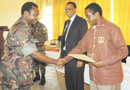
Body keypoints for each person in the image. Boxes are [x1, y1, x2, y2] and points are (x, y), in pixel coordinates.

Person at [59, 3, 128, 90]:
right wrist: (65, 59)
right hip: (94, 77)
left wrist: (103, 62)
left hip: (108, 78)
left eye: (88, 16)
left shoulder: (112, 28)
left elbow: (123, 51)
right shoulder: (90, 31)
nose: (86, 19)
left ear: (97, 14)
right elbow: (79, 47)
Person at [0, 2, 63, 90]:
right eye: (35, 15)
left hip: (19, 73)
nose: (37, 18)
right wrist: (56, 61)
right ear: (26, 13)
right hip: (13, 76)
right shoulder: (21, 28)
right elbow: (33, 53)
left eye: (38, 15)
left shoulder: (25, 26)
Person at [60, 2, 88, 90]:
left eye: (69, 9)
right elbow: (64, 40)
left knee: (78, 84)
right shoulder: (66, 22)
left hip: (76, 59)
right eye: (66, 9)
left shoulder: (81, 21)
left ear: (75, 9)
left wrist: (81, 59)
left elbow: (84, 41)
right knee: (68, 82)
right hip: (66, 58)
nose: (67, 11)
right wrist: (62, 55)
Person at [31, 21, 48, 85]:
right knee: (34, 62)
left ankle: (43, 77)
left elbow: (46, 38)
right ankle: (37, 76)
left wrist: (37, 41)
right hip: (32, 48)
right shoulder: (30, 26)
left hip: (40, 48)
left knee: (42, 63)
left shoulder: (42, 26)